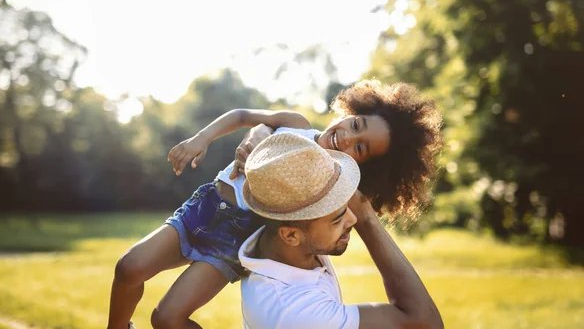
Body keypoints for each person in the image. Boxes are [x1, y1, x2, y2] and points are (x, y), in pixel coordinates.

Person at [107, 79, 442, 328]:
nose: (347, 136)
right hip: (206, 207)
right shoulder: (297, 124)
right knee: (128, 268)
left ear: (360, 166)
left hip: (233, 240)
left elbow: (337, 223)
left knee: (166, 318)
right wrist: (205, 138)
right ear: (352, 112)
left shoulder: (324, 184)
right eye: (356, 124)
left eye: (360, 148)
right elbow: (244, 116)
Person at [239, 131, 444, 329]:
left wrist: (259, 132)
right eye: (337, 220)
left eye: (347, 206)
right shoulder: (296, 313)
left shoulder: (274, 220)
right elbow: (424, 323)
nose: (353, 219)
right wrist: (367, 219)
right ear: (291, 235)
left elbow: (283, 133)